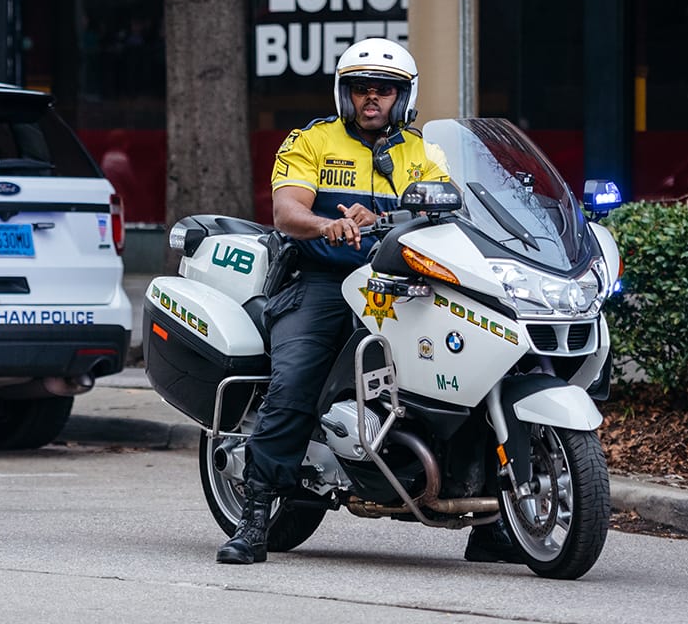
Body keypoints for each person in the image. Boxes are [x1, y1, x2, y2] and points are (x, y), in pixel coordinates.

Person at [216, 37, 521, 566]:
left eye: (383, 90)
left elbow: (452, 214)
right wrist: (326, 224)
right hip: (322, 281)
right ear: (345, 94)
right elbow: (287, 211)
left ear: (404, 96)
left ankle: (489, 519)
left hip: (403, 284)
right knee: (294, 381)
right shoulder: (311, 141)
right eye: (361, 89)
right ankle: (256, 516)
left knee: (471, 368)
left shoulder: (423, 151)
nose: (371, 99)